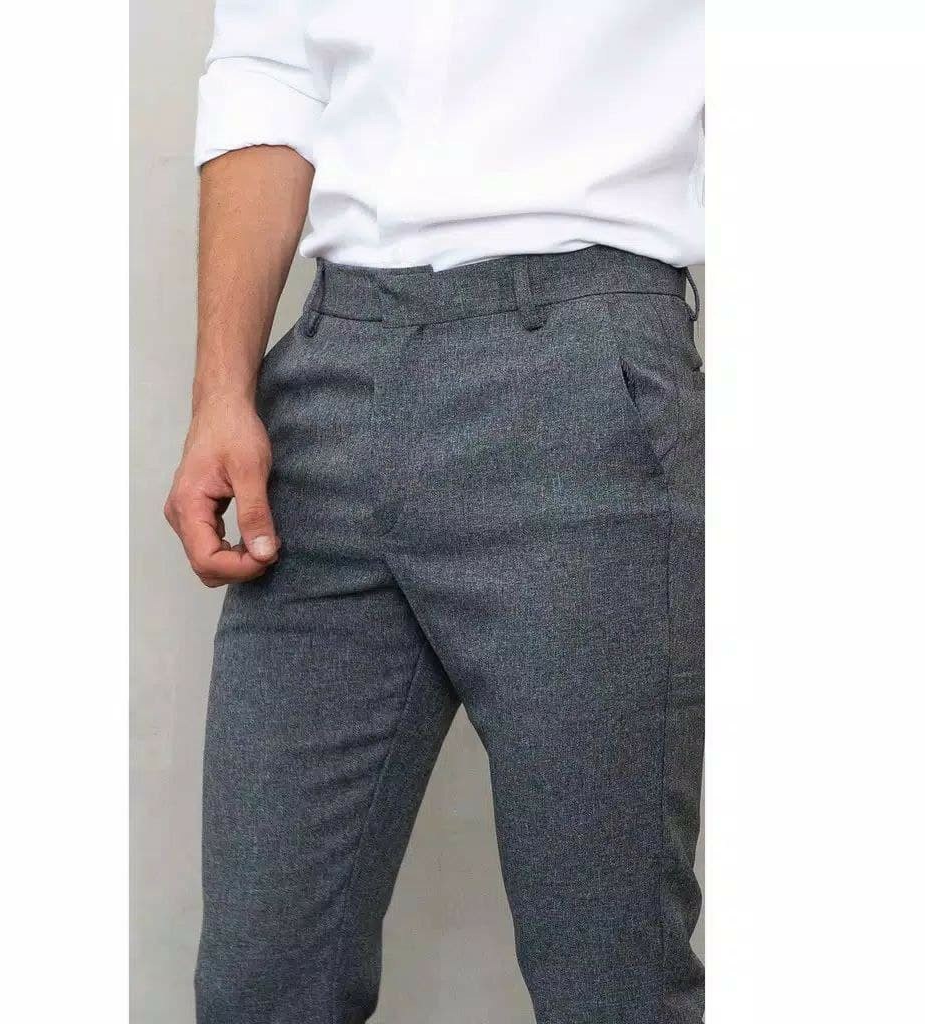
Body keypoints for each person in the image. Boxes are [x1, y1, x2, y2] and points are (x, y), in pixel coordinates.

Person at [164, 2, 704, 1021]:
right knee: (261, 982)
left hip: (582, 372)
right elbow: (269, 68)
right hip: (329, 369)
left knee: (610, 973)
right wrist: (221, 394)